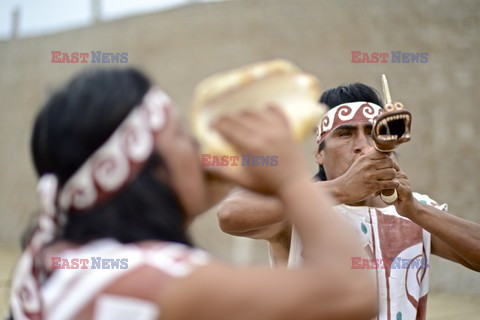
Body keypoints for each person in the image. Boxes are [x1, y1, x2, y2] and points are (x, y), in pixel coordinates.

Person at [9, 69, 378, 320]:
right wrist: (291, 181)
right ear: (146, 170)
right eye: (182, 136)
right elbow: (354, 292)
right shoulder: (157, 280)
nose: (199, 148)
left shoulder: (59, 258)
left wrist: (227, 172)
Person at [218, 83, 480, 320]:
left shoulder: (415, 208)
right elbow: (229, 215)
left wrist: (416, 211)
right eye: (345, 134)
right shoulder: (301, 208)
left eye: (371, 132)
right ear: (319, 153)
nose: (362, 145)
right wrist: (341, 190)